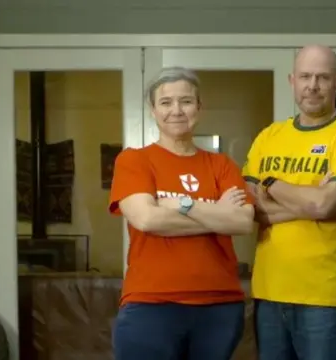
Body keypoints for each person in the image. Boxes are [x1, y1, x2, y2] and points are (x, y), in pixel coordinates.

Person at [108, 67, 255, 360]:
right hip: (150, 304)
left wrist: (180, 205)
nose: (176, 110)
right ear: (153, 109)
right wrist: (217, 214)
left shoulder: (222, 165)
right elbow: (147, 219)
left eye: (186, 101)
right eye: (166, 102)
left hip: (219, 305)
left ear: (199, 107)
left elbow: (241, 221)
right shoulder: (134, 160)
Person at [242, 45, 336, 360]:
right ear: (292, 80)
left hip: (323, 296)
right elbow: (248, 207)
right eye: (305, 76)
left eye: (322, 77)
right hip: (269, 292)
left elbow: (325, 205)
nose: (312, 85)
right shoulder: (268, 136)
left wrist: (271, 183)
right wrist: (309, 199)